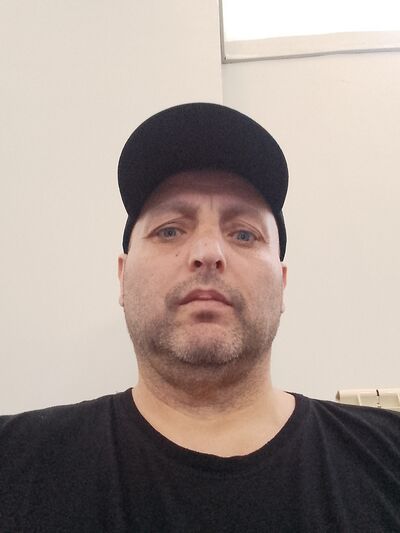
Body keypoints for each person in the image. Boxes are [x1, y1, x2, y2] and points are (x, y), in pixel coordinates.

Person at [1, 103, 399, 532]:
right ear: (122, 277)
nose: (208, 252)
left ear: (282, 283)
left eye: (243, 234)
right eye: (170, 230)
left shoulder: (389, 454)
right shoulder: (12, 462)